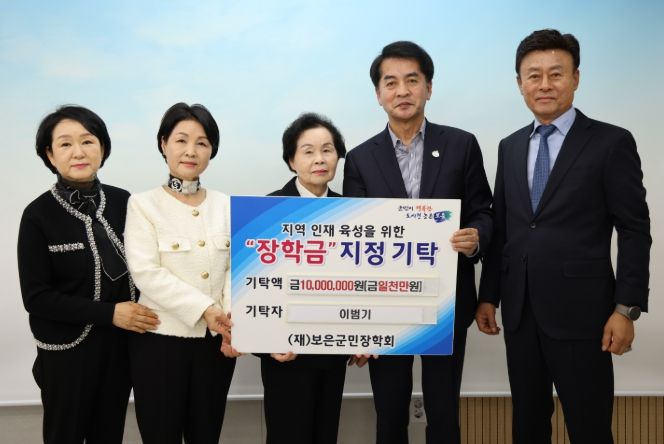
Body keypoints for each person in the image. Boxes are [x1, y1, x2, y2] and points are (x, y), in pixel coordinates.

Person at [476, 29, 651, 443]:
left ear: (575, 78)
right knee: (528, 426)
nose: (544, 84)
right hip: (521, 313)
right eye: (533, 75)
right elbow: (505, 229)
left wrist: (626, 308)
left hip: (584, 315)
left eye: (556, 73)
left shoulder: (610, 142)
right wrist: (489, 296)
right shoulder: (509, 146)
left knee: (589, 428)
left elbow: (634, 230)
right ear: (519, 83)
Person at [343, 41, 493, 444]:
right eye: (390, 83)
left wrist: (476, 237)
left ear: (428, 87)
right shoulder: (360, 159)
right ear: (378, 94)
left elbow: (484, 211)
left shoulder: (462, 144)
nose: (402, 91)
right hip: (383, 306)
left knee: (444, 413)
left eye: (412, 80)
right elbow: (352, 240)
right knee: (390, 413)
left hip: (447, 301)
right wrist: (354, 324)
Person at [17, 105, 160, 443]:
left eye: (87, 141)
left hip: (121, 348)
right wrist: (110, 314)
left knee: (108, 434)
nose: (78, 152)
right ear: (50, 154)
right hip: (66, 352)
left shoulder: (125, 202)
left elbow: (151, 267)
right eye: (65, 144)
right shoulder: (38, 215)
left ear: (102, 148)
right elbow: (36, 298)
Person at [124, 103, 236, 443]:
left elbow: (236, 269)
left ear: (212, 150)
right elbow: (146, 272)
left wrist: (233, 322)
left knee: (207, 434)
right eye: (181, 140)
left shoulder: (226, 204)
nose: (191, 151)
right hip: (160, 343)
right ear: (163, 144)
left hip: (216, 344)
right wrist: (206, 309)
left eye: (202, 143)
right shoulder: (142, 204)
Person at [259, 112, 349, 444]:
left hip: (333, 355)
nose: (319, 159)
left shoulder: (353, 211)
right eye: (308, 151)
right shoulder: (267, 210)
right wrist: (267, 343)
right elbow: (252, 288)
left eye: (327, 150)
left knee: (326, 435)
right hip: (285, 356)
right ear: (291, 161)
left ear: (338, 156)